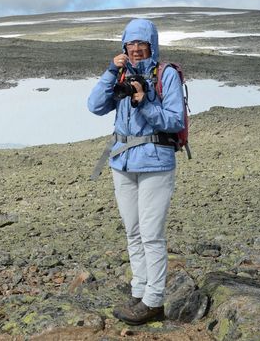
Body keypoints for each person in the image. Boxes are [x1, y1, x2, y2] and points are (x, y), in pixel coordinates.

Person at [87, 18, 185, 325]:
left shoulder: (165, 75)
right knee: (133, 231)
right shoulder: (121, 72)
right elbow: (94, 106)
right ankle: (139, 290)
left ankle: (154, 301)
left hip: (155, 163)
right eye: (130, 45)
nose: (136, 50)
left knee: (151, 234)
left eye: (142, 44)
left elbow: (174, 121)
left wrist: (144, 103)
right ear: (124, 47)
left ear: (152, 45)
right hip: (122, 163)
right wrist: (110, 72)